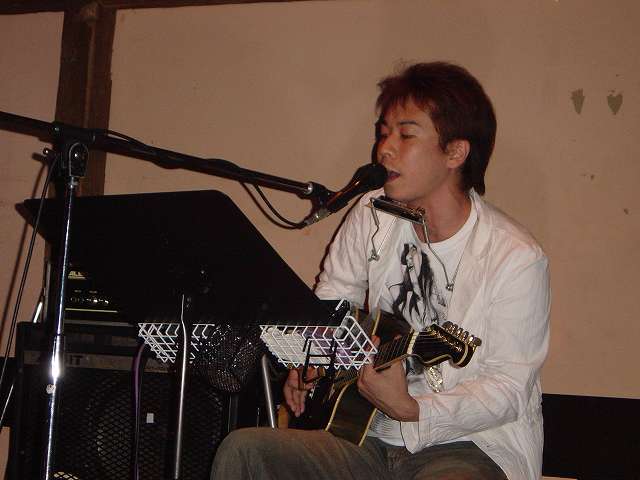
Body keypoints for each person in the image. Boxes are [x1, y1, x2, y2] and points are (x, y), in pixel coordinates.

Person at [210, 62, 550, 480]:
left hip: (470, 446)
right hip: (364, 434)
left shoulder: (515, 257)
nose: (384, 149)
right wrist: (310, 362)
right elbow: (331, 304)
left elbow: (508, 388)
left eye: (405, 135)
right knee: (245, 452)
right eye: (383, 132)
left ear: (455, 153)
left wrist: (412, 408)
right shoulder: (373, 212)